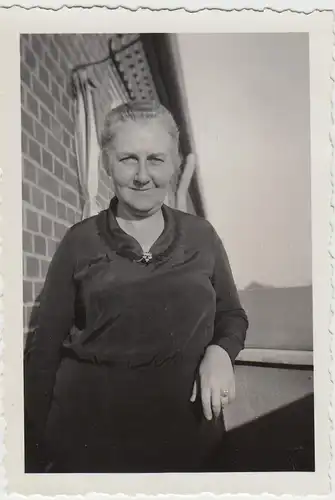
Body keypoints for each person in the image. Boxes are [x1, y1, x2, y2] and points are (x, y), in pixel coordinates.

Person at [24, 100, 248, 473]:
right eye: (128, 158)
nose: (143, 175)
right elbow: (45, 350)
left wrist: (221, 353)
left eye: (156, 159)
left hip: (190, 449)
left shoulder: (202, 237)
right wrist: (32, 455)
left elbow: (231, 316)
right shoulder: (79, 242)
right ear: (106, 163)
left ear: (175, 163)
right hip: (91, 453)